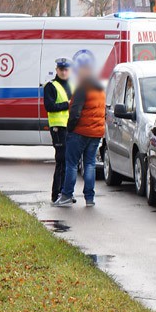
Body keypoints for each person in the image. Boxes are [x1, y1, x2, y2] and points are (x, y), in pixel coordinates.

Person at [52, 52, 105, 208]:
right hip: (96, 133)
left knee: (72, 164)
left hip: (80, 132)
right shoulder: (99, 88)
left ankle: (67, 195)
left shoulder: (83, 87)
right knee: (90, 164)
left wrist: (70, 128)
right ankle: (90, 198)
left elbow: (75, 111)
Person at [44, 58, 73, 202]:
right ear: (56, 70)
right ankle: (56, 195)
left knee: (68, 162)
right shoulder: (51, 86)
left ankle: (66, 193)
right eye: (61, 69)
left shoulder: (72, 86)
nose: (64, 72)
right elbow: (49, 106)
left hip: (70, 127)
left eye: (66, 69)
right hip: (58, 128)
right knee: (61, 161)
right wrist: (66, 105)